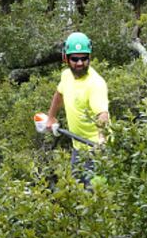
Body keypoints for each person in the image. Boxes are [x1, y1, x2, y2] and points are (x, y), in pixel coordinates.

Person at [46, 32, 109, 181]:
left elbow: (102, 114)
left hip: (96, 151)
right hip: (78, 147)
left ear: (90, 57)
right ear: (66, 58)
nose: (80, 63)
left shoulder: (96, 83)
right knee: (77, 188)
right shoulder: (66, 76)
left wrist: (102, 139)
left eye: (84, 58)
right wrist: (51, 117)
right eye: (75, 59)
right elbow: (59, 94)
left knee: (94, 192)